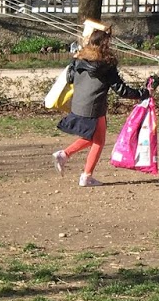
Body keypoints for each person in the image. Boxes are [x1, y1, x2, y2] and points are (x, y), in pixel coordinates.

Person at [52, 20, 152, 187]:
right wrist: (143, 93)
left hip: (78, 104)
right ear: (106, 44)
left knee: (93, 138)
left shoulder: (79, 59)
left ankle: (64, 155)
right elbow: (121, 90)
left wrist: (73, 61)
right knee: (98, 141)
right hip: (94, 107)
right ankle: (86, 176)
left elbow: (70, 78)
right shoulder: (106, 64)